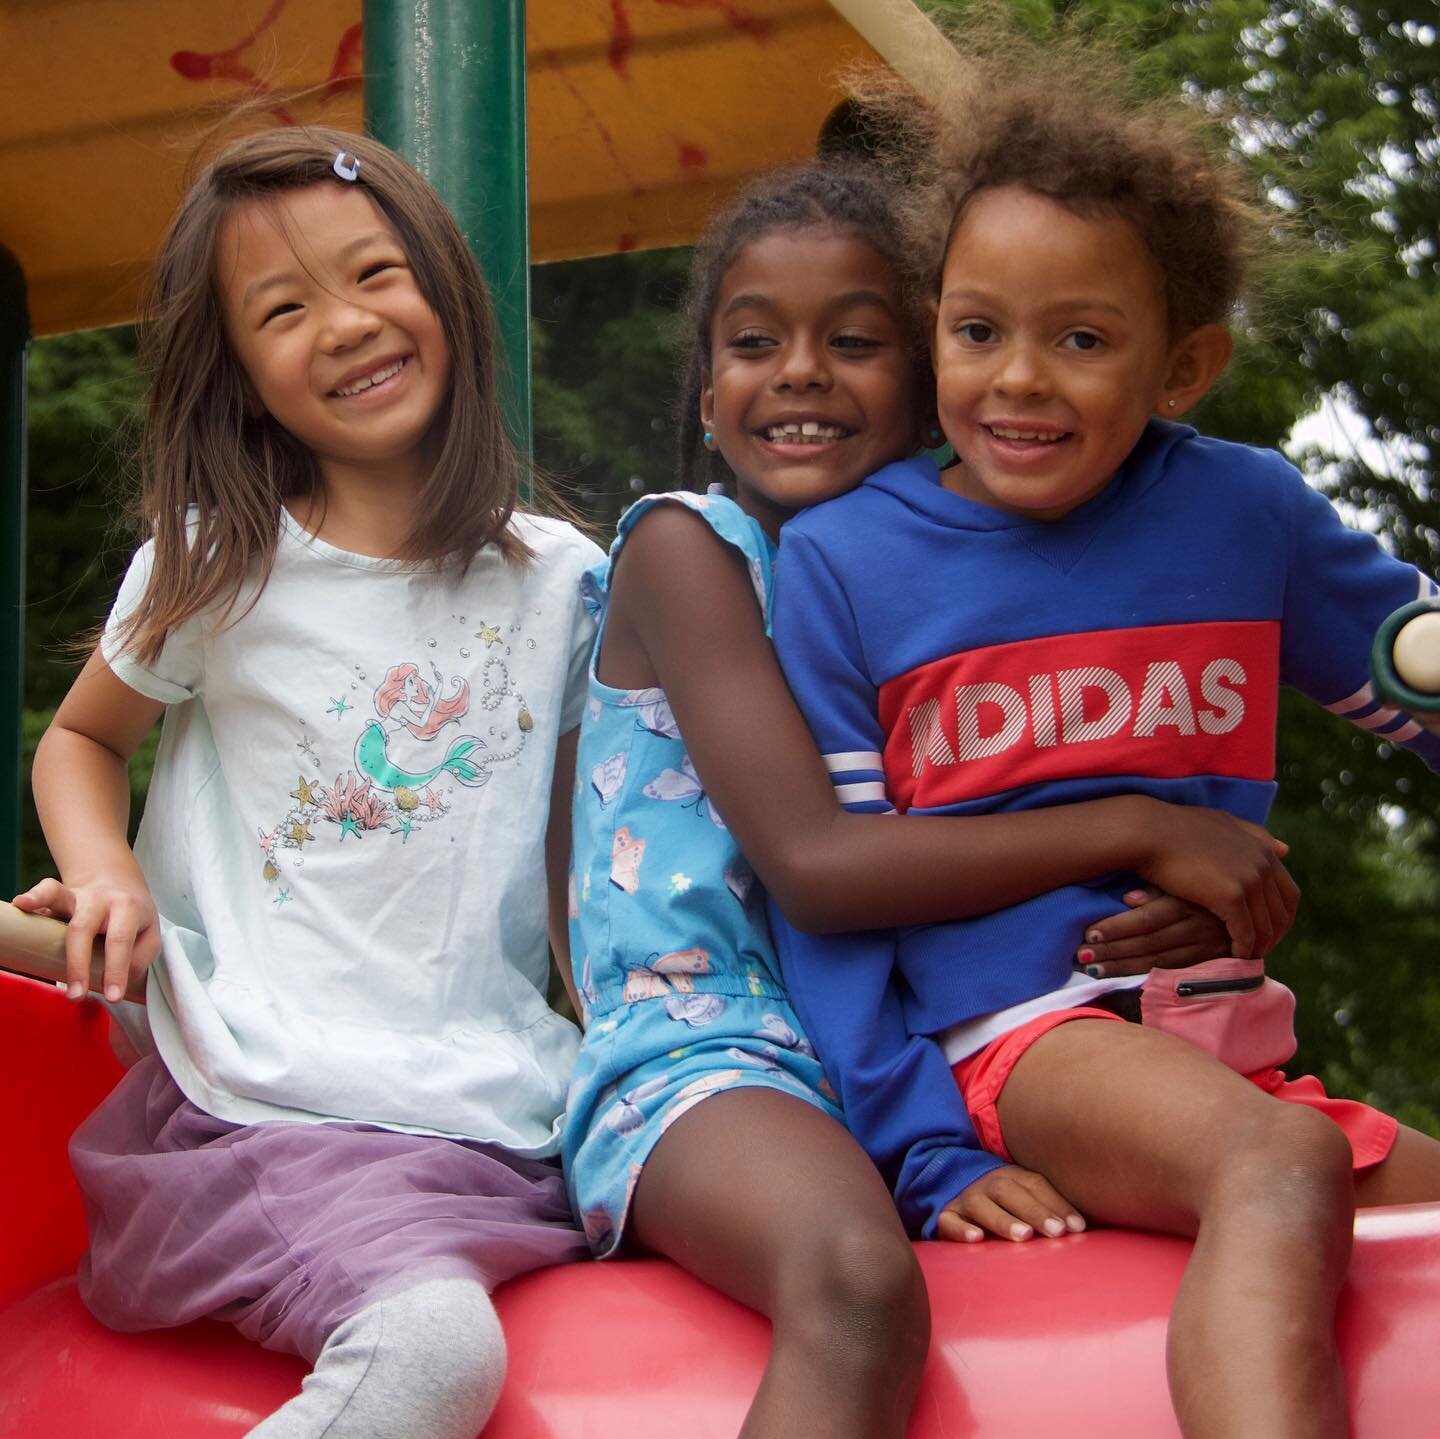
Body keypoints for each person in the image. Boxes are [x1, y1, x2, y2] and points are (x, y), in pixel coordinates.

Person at [766, 36, 1440, 1439]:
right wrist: (914, 1142)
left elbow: (1408, 670)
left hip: (1225, 1042)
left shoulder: (1244, 513)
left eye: (1081, 338)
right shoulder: (843, 563)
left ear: (1183, 365)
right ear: (934, 322)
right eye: (976, 330)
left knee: (1316, 1158)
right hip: (1027, 1039)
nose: (1019, 380)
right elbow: (828, 886)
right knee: (1279, 1157)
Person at [563, 162, 1304, 1439]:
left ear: (924, 392)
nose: (798, 371)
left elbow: (975, 868)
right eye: (753, 343)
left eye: (855, 342)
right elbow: (822, 865)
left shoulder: (892, 597)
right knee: (856, 1279)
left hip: (884, 1051)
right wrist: (1148, 832)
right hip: (712, 1046)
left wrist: (1176, 896)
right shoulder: (689, 549)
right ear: (706, 392)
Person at [13, 129, 602, 1439]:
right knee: (434, 1348)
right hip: (257, 1106)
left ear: (446, 290)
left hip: (490, 1109)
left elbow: (587, 865)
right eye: (283, 310)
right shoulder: (223, 565)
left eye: (374, 273)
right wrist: (108, 872)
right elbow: (79, 739)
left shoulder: (566, 582)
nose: (343, 324)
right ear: (244, 379)